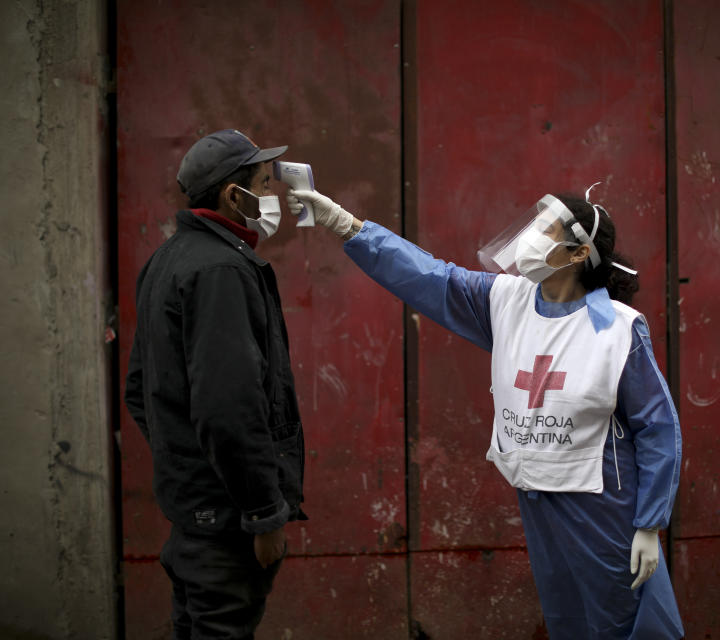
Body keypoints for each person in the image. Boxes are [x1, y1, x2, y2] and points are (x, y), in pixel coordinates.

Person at [287, 185, 684, 638]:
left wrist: (650, 523)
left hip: (601, 500)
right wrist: (344, 223)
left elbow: (658, 427)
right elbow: (427, 276)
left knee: (620, 619)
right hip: (537, 495)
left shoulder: (617, 329)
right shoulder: (505, 300)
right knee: (567, 617)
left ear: (577, 255)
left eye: (545, 231)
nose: (530, 239)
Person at [124, 129, 307, 639]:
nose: (273, 197)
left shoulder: (168, 259)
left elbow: (140, 389)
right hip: (226, 526)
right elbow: (230, 406)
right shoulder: (222, 269)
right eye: (264, 184)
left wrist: (188, 471)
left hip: (193, 519)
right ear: (233, 195)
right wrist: (264, 514)